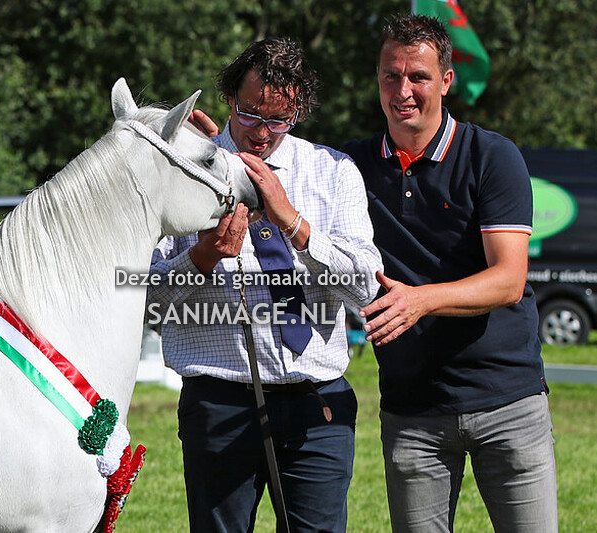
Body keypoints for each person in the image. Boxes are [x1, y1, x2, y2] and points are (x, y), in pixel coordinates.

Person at [147, 38, 382, 532]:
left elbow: (364, 288)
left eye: (280, 120)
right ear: (229, 97)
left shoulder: (333, 172)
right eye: (250, 114)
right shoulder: (183, 167)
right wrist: (203, 257)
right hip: (218, 397)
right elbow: (147, 302)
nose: (262, 132)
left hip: (316, 403)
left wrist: (293, 223)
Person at [341, 14, 558, 532]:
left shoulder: (493, 156)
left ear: (446, 80)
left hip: (508, 403)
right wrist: (222, 146)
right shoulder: (350, 167)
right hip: (412, 412)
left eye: (418, 76)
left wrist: (421, 299)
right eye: (391, 76)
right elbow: (278, 169)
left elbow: (508, 279)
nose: (403, 90)